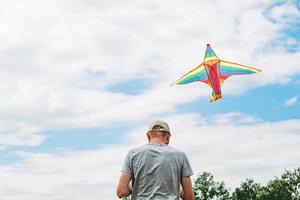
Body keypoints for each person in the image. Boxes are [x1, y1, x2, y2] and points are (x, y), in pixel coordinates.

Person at [116, 120, 194, 200]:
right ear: (168, 136)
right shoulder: (180, 155)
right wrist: (178, 190)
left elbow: (121, 192)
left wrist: (134, 185)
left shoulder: (133, 154)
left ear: (148, 136)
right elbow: (189, 198)